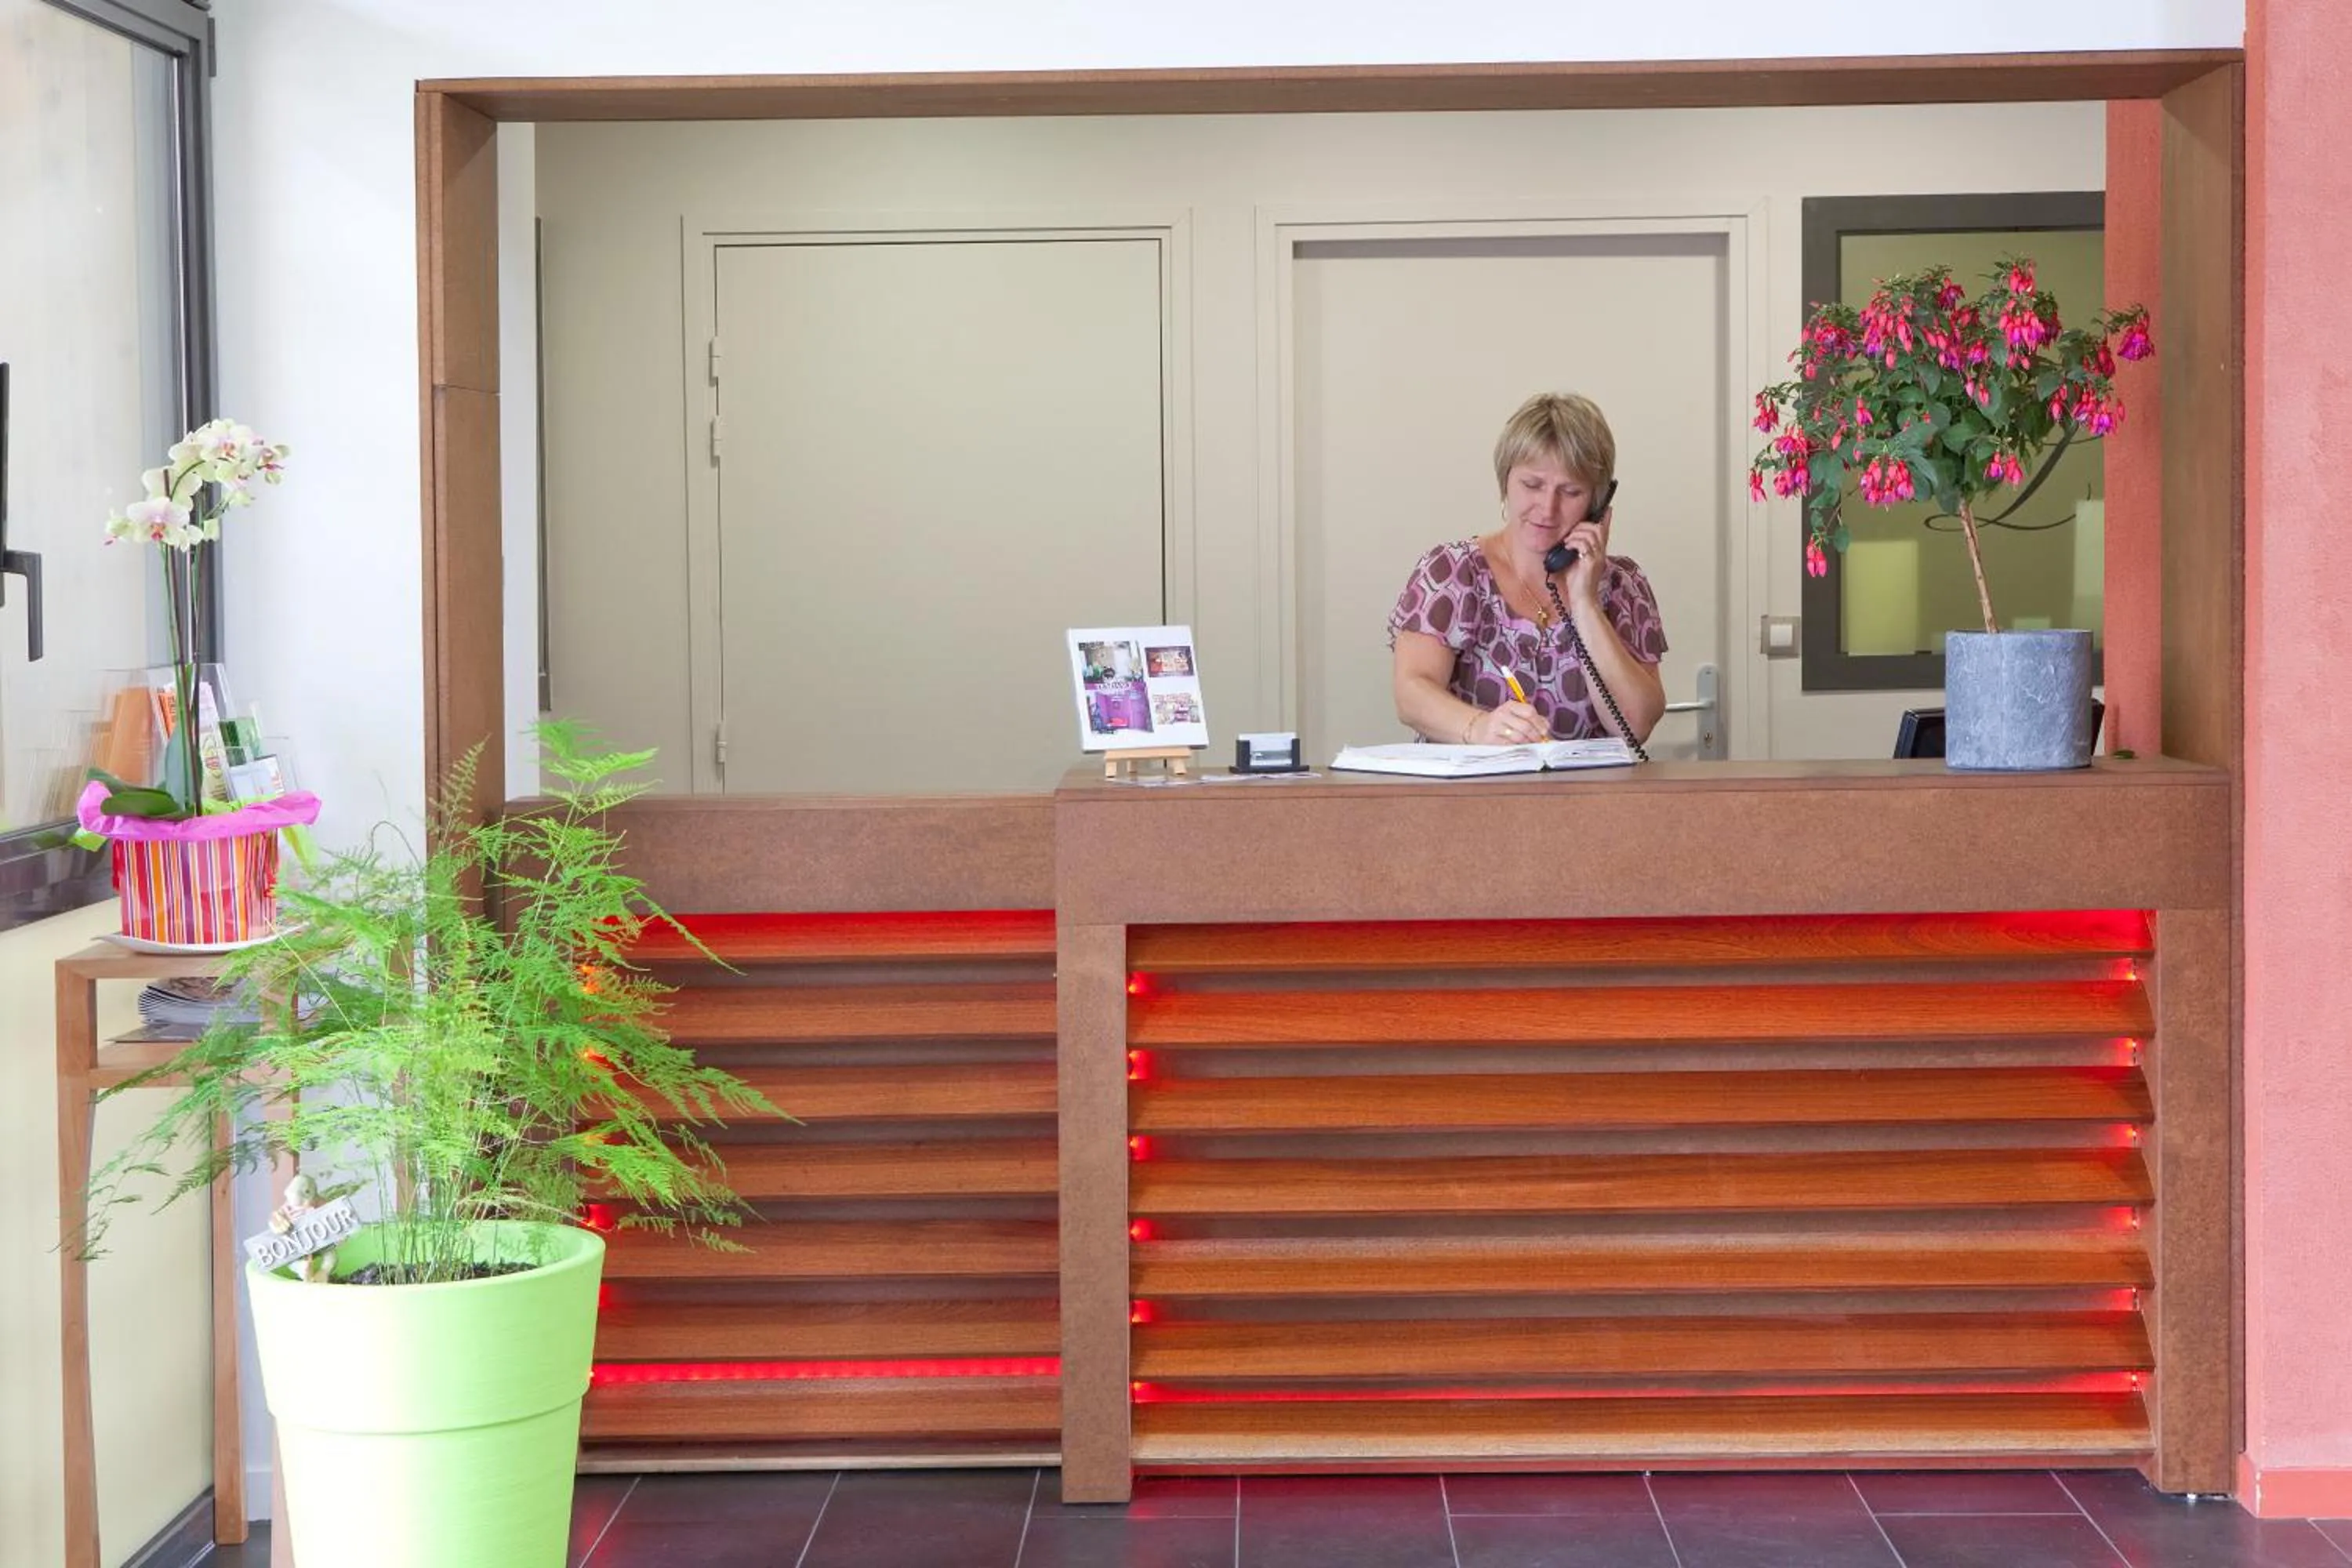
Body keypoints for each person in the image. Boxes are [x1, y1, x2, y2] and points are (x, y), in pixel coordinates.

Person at [1388, 392, 1668, 747]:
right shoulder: (1452, 572)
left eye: (1570, 492)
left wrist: (1585, 604)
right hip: (1470, 798)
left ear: (1598, 505)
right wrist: (1479, 727)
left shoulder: (1624, 585)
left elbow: (1635, 725)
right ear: (1505, 481)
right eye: (1532, 485)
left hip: (1588, 800)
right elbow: (1411, 694)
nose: (1547, 509)